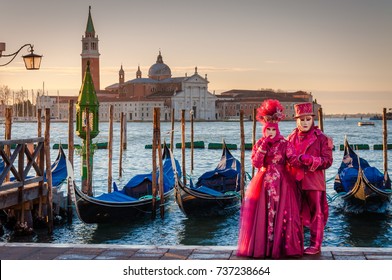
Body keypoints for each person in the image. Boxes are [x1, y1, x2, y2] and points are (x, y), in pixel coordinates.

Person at [237, 99, 304, 259]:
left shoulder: (284, 144)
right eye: (268, 130)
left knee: (282, 213)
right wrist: (264, 146)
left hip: (282, 183)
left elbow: (293, 160)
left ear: (277, 128)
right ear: (264, 129)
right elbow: (255, 162)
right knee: (263, 214)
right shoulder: (260, 143)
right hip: (263, 183)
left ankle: (281, 248)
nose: (271, 133)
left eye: (274, 130)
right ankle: (262, 248)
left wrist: (306, 159)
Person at [287, 102, 333, 255]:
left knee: (316, 213)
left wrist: (311, 160)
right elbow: (287, 158)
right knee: (294, 213)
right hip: (295, 181)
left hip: (314, 182)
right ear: (297, 120)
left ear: (313, 120)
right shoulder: (290, 138)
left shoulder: (322, 138)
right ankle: (296, 244)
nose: (305, 122)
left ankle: (315, 245)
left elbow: (327, 161)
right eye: (302, 119)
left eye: (308, 119)